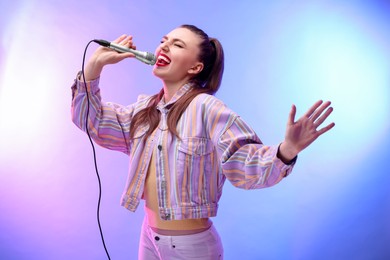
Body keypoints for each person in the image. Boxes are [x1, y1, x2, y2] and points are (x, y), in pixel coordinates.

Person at [71, 24, 335, 260]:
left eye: (177, 44)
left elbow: (244, 163)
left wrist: (287, 150)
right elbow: (89, 120)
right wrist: (93, 68)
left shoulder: (207, 109)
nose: (164, 45)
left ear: (195, 67)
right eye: (164, 40)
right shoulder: (144, 111)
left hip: (191, 248)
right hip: (149, 236)